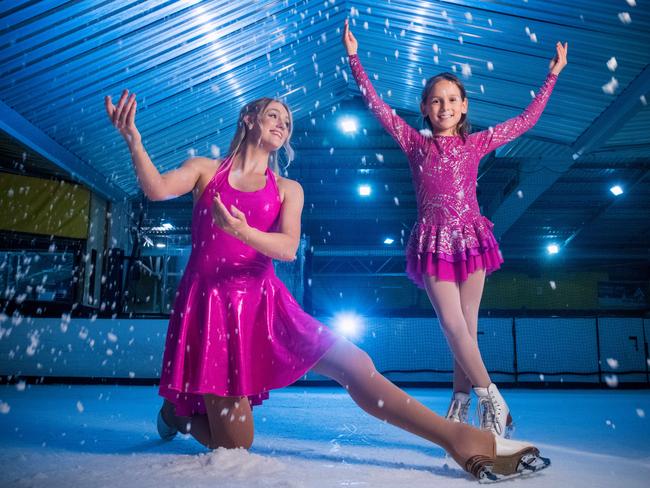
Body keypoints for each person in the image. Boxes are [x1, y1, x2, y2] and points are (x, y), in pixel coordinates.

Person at [104, 88, 550, 482]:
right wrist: (134, 140)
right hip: (211, 310)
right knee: (236, 448)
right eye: (273, 115)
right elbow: (158, 188)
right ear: (248, 119)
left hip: (265, 305)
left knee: (355, 364)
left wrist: (242, 231)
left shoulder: (287, 189)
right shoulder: (206, 170)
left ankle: (456, 438)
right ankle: (179, 415)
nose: (282, 124)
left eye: (288, 121)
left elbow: (286, 248)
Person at [342, 19, 567, 437]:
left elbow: (525, 122)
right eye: (435, 100)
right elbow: (376, 105)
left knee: (465, 326)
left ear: (463, 106)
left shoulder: (475, 143)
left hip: (471, 240)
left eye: (451, 99)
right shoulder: (415, 143)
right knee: (451, 325)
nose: (444, 107)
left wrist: (552, 76)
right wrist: (355, 59)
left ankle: (459, 406)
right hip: (433, 241)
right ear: (425, 108)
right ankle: (493, 400)